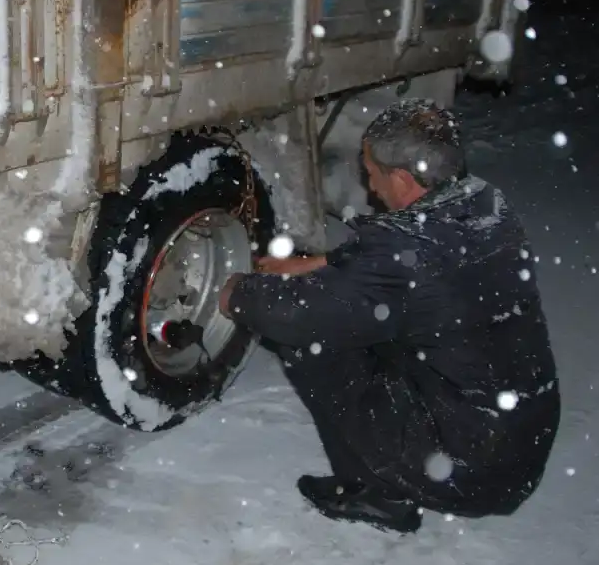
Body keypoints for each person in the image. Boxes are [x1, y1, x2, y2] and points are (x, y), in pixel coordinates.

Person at [218, 97, 560, 534]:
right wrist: (322, 262)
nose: (369, 185)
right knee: (373, 320)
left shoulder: (404, 256)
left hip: (466, 470)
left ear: (401, 177)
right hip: (514, 447)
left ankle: (380, 496)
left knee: (313, 341)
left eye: (372, 172)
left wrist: (235, 292)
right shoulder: (486, 203)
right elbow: (410, 261)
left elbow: (297, 315)